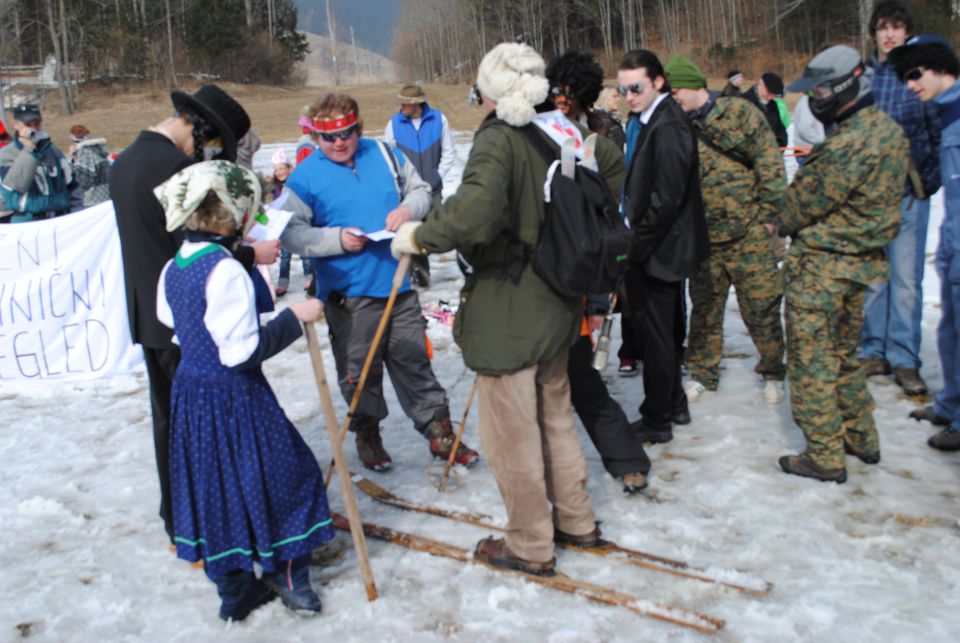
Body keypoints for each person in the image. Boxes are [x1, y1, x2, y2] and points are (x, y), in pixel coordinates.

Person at [391, 42, 601, 576]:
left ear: (489, 90)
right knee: (555, 418)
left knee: (513, 437)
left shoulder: (499, 140)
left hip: (511, 304)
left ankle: (531, 545)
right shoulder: (553, 131)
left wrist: (421, 235)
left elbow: (475, 216)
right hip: (555, 300)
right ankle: (575, 520)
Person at [155, 160, 335, 621]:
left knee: (217, 487)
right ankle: (289, 577)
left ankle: (234, 591)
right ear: (234, 213)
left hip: (192, 395)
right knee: (290, 476)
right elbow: (239, 353)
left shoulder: (176, 265)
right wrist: (295, 319)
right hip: (234, 397)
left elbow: (173, 324)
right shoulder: (226, 272)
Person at [110, 84, 276, 543]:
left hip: (150, 314)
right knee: (202, 429)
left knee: (168, 421)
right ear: (197, 127)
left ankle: (178, 519)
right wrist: (249, 254)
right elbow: (196, 252)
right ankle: (206, 521)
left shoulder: (125, 162)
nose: (207, 151)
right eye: (211, 141)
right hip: (188, 322)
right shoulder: (176, 170)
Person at [280, 93, 478, 472]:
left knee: (413, 360)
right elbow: (291, 233)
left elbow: (420, 191)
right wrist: (336, 240)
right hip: (348, 296)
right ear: (317, 137)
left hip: (398, 284)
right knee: (359, 370)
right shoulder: (305, 175)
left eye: (347, 132)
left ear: (358, 126)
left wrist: (407, 209)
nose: (339, 142)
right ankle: (367, 434)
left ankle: (439, 431)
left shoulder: (386, 155)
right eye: (329, 136)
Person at [774, 45, 909, 482]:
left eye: (819, 91)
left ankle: (825, 455)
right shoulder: (887, 130)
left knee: (812, 363)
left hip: (821, 274)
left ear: (843, 87)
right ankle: (861, 436)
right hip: (862, 268)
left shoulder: (847, 145)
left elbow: (796, 209)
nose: (813, 99)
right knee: (843, 356)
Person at [544, 48, 650, 494]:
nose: (558, 100)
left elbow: (602, 225)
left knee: (580, 377)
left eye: (564, 94)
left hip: (577, 275)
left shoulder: (597, 149)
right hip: (546, 272)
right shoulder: (540, 135)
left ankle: (625, 460)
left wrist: (600, 300)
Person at [665, 55, 787, 405]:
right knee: (704, 308)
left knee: (761, 307)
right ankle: (703, 373)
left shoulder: (739, 113)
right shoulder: (678, 125)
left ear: (695, 86)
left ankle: (773, 370)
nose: (673, 99)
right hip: (704, 238)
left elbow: (770, 164)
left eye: (676, 92)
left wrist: (768, 218)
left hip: (749, 233)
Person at [617, 49, 709, 444]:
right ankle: (672, 403)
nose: (629, 95)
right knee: (665, 334)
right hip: (659, 247)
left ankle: (657, 419)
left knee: (657, 338)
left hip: (660, 250)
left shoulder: (669, 125)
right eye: (622, 89)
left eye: (636, 87)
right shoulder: (651, 119)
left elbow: (666, 200)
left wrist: (635, 246)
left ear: (658, 82)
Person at [859, 1, 943, 397]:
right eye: (883, 28)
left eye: (896, 28)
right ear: (874, 32)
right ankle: (872, 350)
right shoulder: (864, 79)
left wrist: (928, 181)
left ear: (906, 32)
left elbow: (936, 130)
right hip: (871, 198)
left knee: (907, 281)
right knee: (874, 279)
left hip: (910, 195)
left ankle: (905, 358)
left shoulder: (916, 75)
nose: (889, 34)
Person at [889, 33, 960, 452]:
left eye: (914, 74)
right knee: (950, 331)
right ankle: (950, 404)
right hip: (951, 239)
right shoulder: (942, 113)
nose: (910, 85)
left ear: (940, 66)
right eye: (904, 78)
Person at [383, 84, 455, 288]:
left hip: (434, 189)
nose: (401, 106)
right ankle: (420, 274)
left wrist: (436, 176)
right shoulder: (393, 124)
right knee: (412, 232)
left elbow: (449, 152)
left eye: (404, 102)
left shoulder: (439, 120)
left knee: (436, 232)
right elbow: (389, 157)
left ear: (416, 104)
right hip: (408, 193)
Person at [0, 103, 76, 222]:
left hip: (61, 218)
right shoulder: (6, 154)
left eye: (37, 124)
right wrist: (30, 151)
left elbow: (72, 186)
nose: (33, 129)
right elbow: (15, 187)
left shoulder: (54, 152)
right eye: (28, 125)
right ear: (15, 125)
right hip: (29, 221)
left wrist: (77, 212)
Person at [546, 51, 626, 149]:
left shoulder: (598, 129)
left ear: (583, 96)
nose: (562, 99)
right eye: (557, 91)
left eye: (570, 94)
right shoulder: (544, 128)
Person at [68, 124, 111, 207]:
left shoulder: (85, 153)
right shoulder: (99, 150)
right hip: (106, 197)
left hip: (92, 201)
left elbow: (84, 181)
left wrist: (72, 159)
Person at [743, 73, 789, 147]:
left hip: (771, 155)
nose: (771, 97)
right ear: (761, 85)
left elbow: (781, 131)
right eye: (769, 92)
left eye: (774, 95)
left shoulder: (773, 106)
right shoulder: (743, 103)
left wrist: (777, 145)